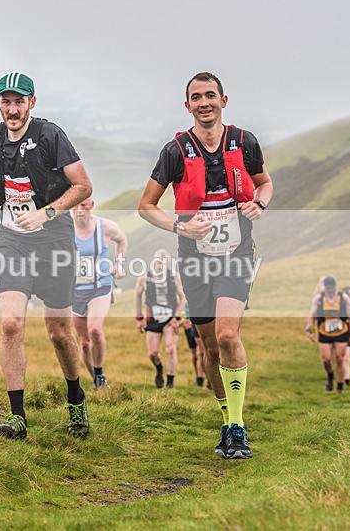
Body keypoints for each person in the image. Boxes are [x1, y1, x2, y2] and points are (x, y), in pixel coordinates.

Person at [138, 72, 273, 459]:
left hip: (236, 254)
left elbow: (264, 183)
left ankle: (237, 427)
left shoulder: (244, 142)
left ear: (223, 100)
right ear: (188, 106)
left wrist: (258, 204)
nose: (204, 102)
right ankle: (226, 420)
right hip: (194, 259)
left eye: (210, 95)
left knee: (229, 336)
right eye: (196, 97)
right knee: (210, 347)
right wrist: (180, 225)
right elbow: (146, 206)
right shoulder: (175, 151)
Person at [0, 73, 93, 440]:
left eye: (20, 102)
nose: (12, 109)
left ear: (32, 103)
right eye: (6, 101)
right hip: (12, 241)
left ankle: (75, 398)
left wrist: (46, 213)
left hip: (54, 241)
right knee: (11, 324)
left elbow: (83, 186)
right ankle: (17, 415)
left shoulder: (51, 136)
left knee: (59, 333)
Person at [72, 198, 127, 389]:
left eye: (84, 205)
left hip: (100, 286)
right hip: (76, 291)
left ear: (92, 205)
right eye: (76, 206)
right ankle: (97, 381)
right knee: (85, 343)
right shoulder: (65, 229)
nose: (80, 210)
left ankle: (100, 375)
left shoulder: (105, 227)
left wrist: (119, 263)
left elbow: (122, 240)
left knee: (94, 329)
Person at [134, 249, 186, 389]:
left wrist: (176, 317)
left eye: (164, 262)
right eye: (158, 261)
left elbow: (183, 299)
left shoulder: (175, 277)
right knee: (152, 354)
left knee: (170, 349)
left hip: (170, 319)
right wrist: (139, 317)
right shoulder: (144, 277)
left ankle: (170, 384)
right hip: (153, 319)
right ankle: (159, 368)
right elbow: (137, 296)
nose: (160, 264)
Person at [306, 277, 350, 393]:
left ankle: (340, 385)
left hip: (341, 331)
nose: (330, 290)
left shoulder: (344, 298)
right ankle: (330, 374)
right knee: (326, 359)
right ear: (325, 287)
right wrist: (311, 331)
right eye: (328, 288)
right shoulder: (318, 299)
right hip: (324, 332)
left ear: (336, 286)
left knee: (340, 358)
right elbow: (311, 314)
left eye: (332, 288)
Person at [183, 305, 207, 388]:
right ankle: (198, 376)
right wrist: (184, 318)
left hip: (201, 320)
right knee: (194, 354)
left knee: (201, 352)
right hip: (188, 323)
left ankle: (204, 379)